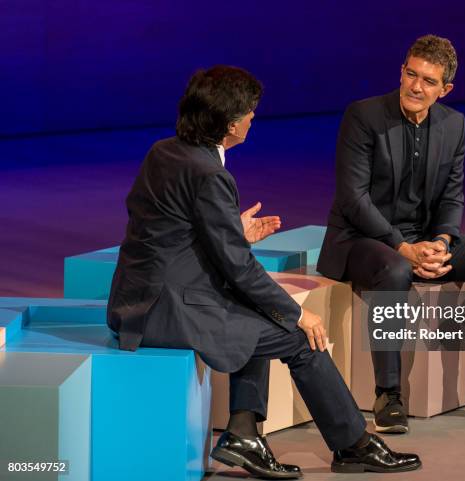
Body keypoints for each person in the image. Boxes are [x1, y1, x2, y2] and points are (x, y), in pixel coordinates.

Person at [107, 65, 422, 477]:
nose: (254, 118)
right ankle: (353, 444)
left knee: (256, 312)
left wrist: (232, 231)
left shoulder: (164, 151)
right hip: (167, 310)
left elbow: (168, 227)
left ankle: (243, 433)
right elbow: (237, 267)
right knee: (300, 340)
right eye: (250, 112)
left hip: (135, 300)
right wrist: (297, 313)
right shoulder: (210, 174)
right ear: (230, 123)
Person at [317, 35, 465, 434]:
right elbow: (353, 199)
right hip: (361, 239)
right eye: (411, 74)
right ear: (401, 72)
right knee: (395, 271)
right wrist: (403, 247)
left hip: (422, 240)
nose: (416, 87)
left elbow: (452, 195)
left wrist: (440, 243)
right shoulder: (364, 115)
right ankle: (388, 393)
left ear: (446, 89)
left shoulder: (454, 124)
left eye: (428, 81)